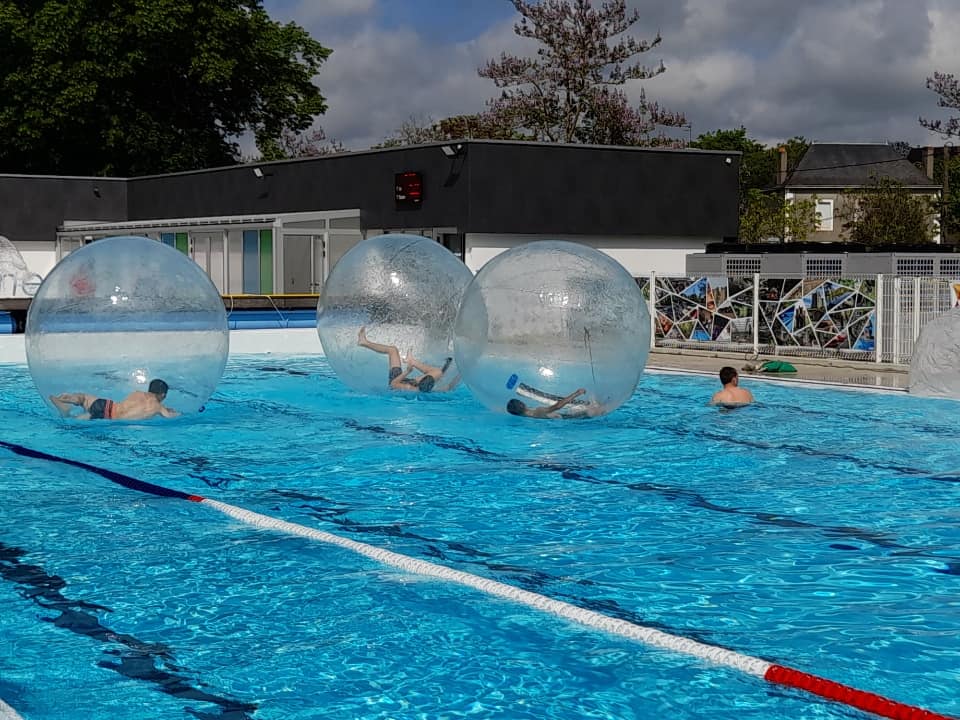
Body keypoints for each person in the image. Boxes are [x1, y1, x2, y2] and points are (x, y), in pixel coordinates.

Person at [357, 327, 458, 393]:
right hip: (410, 382)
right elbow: (448, 388)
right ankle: (412, 361)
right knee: (437, 372)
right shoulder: (426, 389)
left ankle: (364, 342)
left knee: (392, 350)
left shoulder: (410, 388)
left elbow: (393, 384)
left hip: (397, 380)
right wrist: (460, 374)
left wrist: (407, 371)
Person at [50, 379, 179, 420]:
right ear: (162, 395)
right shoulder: (158, 407)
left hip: (106, 405)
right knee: (72, 421)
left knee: (83, 398)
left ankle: (67, 399)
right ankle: (67, 412)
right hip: (107, 417)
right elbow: (170, 417)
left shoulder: (138, 393)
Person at [506, 388, 604, 419]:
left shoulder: (528, 415)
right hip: (570, 418)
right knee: (596, 410)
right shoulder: (538, 411)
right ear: (522, 404)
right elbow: (558, 406)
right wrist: (576, 393)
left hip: (564, 419)